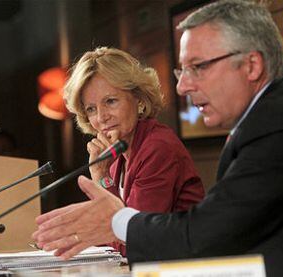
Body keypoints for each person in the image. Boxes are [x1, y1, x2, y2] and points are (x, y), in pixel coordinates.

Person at [32, 1, 283, 276]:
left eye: (198, 67)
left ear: (252, 65)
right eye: (181, 71)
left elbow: (206, 235)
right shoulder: (268, 117)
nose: (183, 86)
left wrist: (117, 221)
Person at [61, 47, 205, 255]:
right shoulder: (118, 154)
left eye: (110, 101)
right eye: (91, 109)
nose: (101, 117)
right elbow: (110, 234)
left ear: (138, 99)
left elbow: (134, 241)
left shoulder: (157, 148)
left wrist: (101, 177)